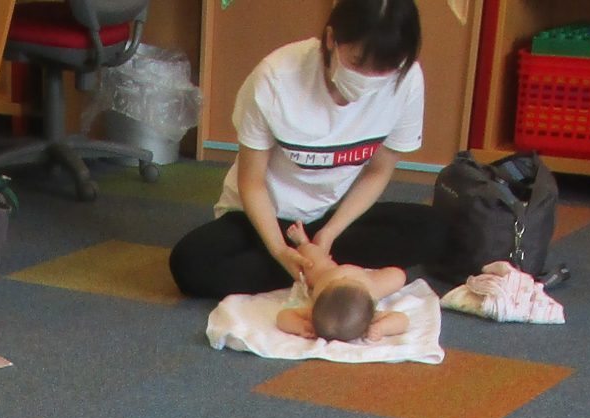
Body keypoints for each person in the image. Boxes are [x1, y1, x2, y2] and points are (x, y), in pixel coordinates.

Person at [169, 0, 446, 302]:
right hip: (265, 217)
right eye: (357, 63)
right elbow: (251, 181)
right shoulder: (275, 78)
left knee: (435, 229)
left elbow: (378, 172)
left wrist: (329, 233)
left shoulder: (407, 80)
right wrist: (279, 250)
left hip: (332, 218)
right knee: (189, 263)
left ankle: (313, 264)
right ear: (331, 39)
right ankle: (325, 269)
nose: (369, 79)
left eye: (385, 70)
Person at [276, 223, 413, 341]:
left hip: (328, 274)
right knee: (398, 276)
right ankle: (306, 245)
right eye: (345, 280)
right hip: (369, 281)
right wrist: (382, 328)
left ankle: (303, 242)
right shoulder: (368, 317)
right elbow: (402, 320)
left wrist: (301, 326)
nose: (346, 277)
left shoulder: (313, 315)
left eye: (340, 281)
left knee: (310, 259)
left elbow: (283, 316)